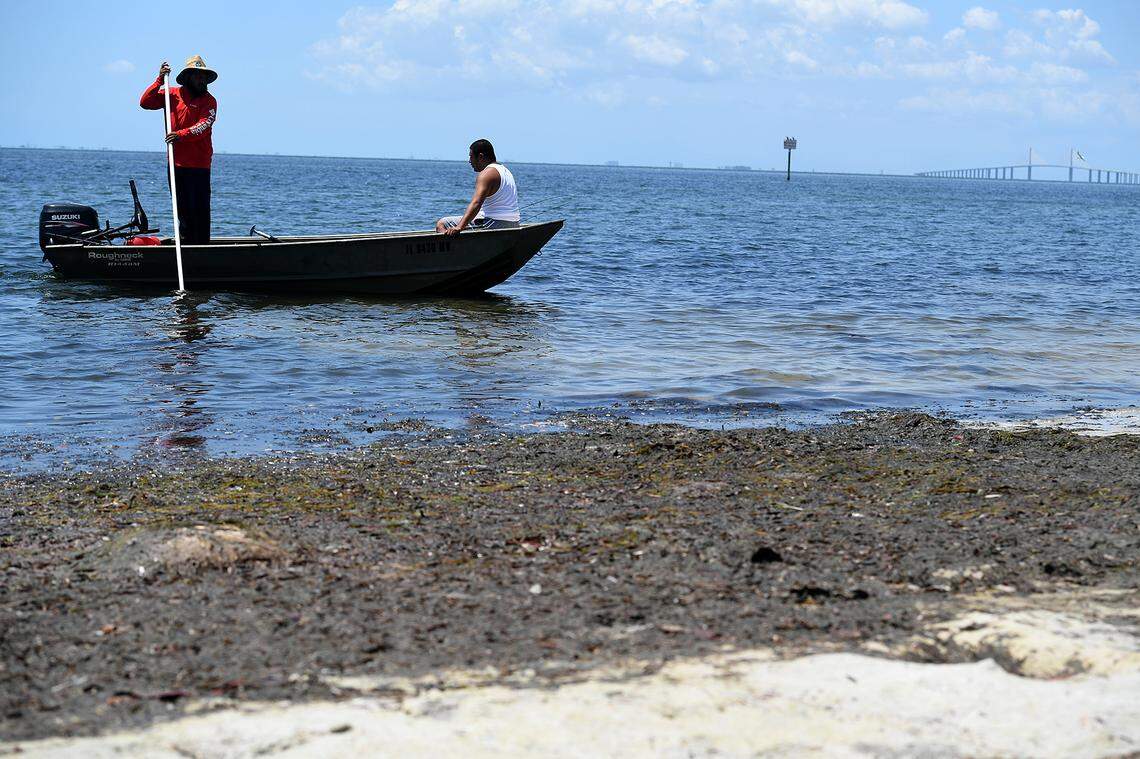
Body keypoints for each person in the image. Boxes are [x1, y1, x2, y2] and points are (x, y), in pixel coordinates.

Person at [140, 56, 218, 244]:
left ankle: (201, 247)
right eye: (198, 77)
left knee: (199, 209)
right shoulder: (172, 94)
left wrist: (180, 134)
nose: (202, 81)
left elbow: (203, 126)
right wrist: (159, 79)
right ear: (189, 77)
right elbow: (145, 102)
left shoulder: (210, 101)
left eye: (204, 77)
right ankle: (185, 245)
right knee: (182, 208)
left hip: (199, 165)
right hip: (176, 163)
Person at [436, 139, 520, 236]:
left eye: (471, 157)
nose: (469, 161)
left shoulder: (486, 174)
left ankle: (458, 250)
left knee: (442, 224)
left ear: (480, 157)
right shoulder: (505, 171)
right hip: (514, 224)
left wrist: (459, 227)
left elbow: (476, 203)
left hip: (494, 224)